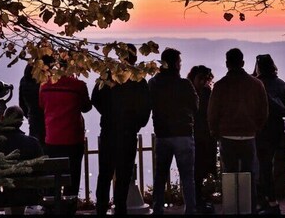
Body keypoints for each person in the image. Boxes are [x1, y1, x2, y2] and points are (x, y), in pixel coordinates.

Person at [92, 43, 151, 215]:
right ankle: (120, 208)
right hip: (128, 133)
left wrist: (107, 114)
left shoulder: (109, 75)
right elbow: (146, 106)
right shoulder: (138, 79)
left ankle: (101, 208)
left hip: (109, 131)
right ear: (134, 58)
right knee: (124, 175)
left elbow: (96, 98)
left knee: (105, 174)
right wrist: (136, 123)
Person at [208, 48, 268, 214]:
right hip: (249, 135)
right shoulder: (256, 84)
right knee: (249, 176)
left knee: (229, 175)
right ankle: (250, 208)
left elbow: (212, 113)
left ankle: (231, 208)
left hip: (227, 136)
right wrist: (256, 128)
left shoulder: (220, 86)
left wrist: (215, 132)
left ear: (227, 64)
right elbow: (264, 111)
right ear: (242, 63)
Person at [148, 47, 199, 215]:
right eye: (179, 62)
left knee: (160, 175)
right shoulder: (184, 84)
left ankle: (158, 209)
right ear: (176, 64)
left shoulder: (153, 84)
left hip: (163, 134)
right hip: (183, 133)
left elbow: (147, 105)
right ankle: (190, 209)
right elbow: (195, 105)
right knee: (187, 177)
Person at [39, 58, 92, 214]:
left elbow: (42, 105)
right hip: (73, 139)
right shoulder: (78, 86)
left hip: (52, 138)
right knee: (72, 177)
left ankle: (50, 208)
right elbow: (86, 107)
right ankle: (69, 209)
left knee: (51, 176)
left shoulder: (45, 85)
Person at [0, 105, 44, 215]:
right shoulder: (32, 143)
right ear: (21, 122)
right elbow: (41, 172)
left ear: (2, 119)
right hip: (27, 196)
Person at [252, 54, 285, 215]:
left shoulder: (256, 85)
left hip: (261, 129)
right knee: (267, 165)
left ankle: (268, 201)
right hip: (276, 129)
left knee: (262, 166)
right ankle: (269, 200)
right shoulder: (282, 85)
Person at [187, 65, 217, 214]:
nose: (203, 81)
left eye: (206, 79)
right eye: (201, 78)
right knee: (196, 171)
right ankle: (197, 200)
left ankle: (201, 199)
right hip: (196, 136)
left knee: (202, 169)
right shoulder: (192, 92)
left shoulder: (206, 92)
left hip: (205, 137)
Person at [19, 63, 45, 146]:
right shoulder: (44, 81)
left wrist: (29, 115)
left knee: (35, 146)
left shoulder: (23, 80)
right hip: (46, 118)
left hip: (33, 118)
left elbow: (22, 104)